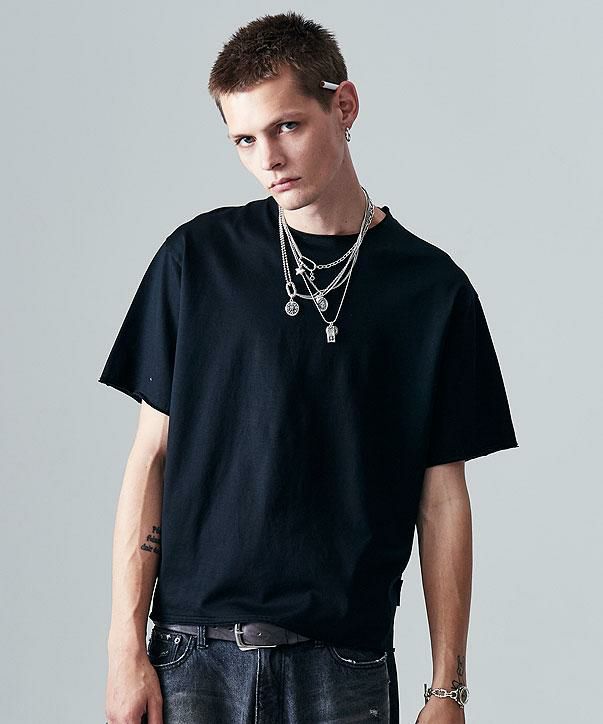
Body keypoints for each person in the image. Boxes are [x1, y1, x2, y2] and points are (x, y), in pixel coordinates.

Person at [100, 11, 518, 724]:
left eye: (286, 126)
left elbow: (443, 497)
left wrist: (447, 687)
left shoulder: (431, 290)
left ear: (343, 106)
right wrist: (123, 648)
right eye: (244, 139)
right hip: (191, 656)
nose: (267, 158)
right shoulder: (197, 260)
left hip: (344, 664)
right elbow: (151, 457)